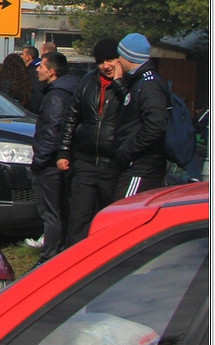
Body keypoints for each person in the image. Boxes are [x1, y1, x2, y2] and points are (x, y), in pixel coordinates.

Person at [56, 38, 123, 247]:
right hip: (84, 162)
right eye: (101, 61)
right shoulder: (87, 82)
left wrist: (120, 84)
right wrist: (63, 151)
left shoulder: (128, 85)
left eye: (111, 60)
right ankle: (74, 259)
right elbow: (70, 118)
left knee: (112, 218)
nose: (106, 66)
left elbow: (133, 115)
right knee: (79, 218)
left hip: (113, 163)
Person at [30, 51, 78, 265]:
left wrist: (39, 160)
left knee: (51, 212)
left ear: (51, 71)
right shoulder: (66, 91)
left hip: (49, 164)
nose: (37, 69)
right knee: (59, 210)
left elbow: (52, 130)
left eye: (41, 66)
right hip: (56, 160)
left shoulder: (56, 96)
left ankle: (49, 257)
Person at [111, 33, 169, 199]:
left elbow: (155, 124)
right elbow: (134, 108)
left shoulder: (149, 84)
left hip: (141, 167)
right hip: (136, 166)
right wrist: (120, 85)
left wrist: (128, 151)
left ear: (128, 56)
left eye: (119, 55)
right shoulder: (138, 82)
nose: (117, 61)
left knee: (123, 217)